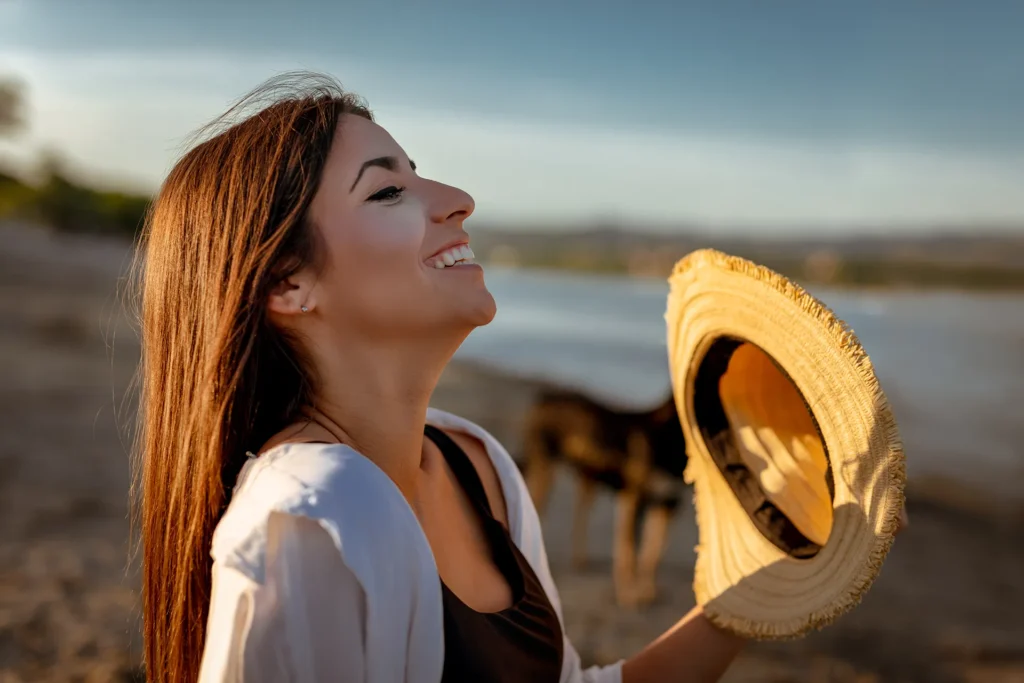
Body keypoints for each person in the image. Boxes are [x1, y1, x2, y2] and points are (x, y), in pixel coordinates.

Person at [134, 72, 748, 683]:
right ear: (287, 283)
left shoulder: (478, 464)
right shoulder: (315, 512)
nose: (458, 198)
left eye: (418, 175)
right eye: (386, 192)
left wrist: (748, 595)